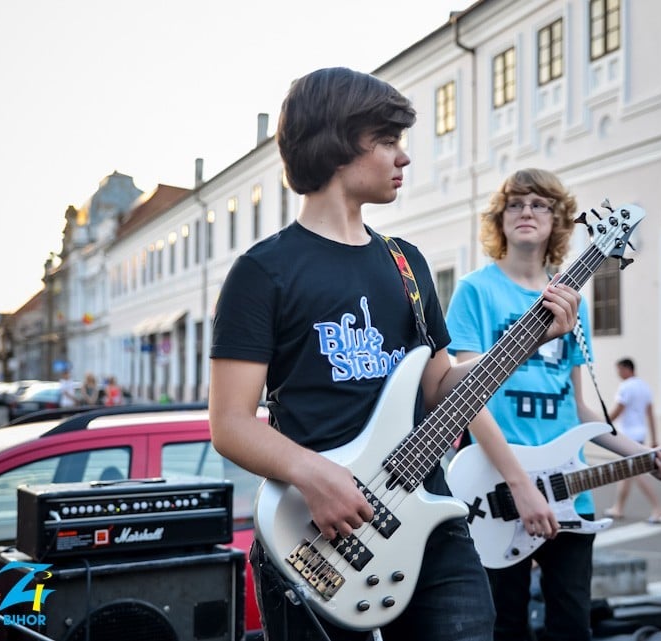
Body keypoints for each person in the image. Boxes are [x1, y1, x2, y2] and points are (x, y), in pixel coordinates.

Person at [207, 68, 583, 641]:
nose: (403, 158)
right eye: (387, 141)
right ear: (337, 142)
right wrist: (317, 476)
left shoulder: (406, 264)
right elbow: (230, 424)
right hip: (313, 532)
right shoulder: (264, 272)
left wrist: (531, 337)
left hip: (426, 514)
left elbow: (438, 387)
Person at [444, 168, 661, 641]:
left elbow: (583, 409)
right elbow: (468, 397)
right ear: (500, 219)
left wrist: (644, 455)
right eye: (515, 204)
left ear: (558, 221)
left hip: (567, 489)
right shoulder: (476, 290)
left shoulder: (570, 301)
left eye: (540, 204)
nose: (527, 212)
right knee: (503, 626)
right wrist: (521, 487)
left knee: (572, 626)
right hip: (494, 486)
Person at [604, 358, 661, 523]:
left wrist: (603, 425)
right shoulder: (644, 386)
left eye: (619, 370)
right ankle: (618, 507)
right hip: (640, 434)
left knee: (635, 472)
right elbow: (650, 414)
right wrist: (654, 438)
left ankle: (658, 506)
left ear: (626, 369)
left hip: (627, 435)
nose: (618, 374)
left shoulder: (626, 387)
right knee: (627, 473)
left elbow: (619, 409)